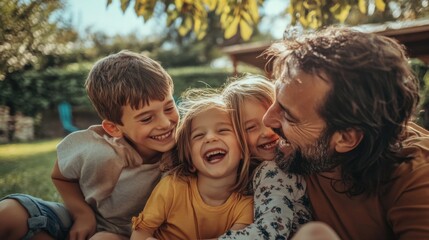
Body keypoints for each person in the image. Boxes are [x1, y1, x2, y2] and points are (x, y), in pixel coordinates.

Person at [262, 26, 429, 239]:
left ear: (346, 139)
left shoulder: (416, 177)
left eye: (289, 116)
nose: (266, 119)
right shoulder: (293, 152)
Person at [0, 50, 179, 240]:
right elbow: (61, 177)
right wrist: (82, 215)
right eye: (147, 118)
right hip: (85, 222)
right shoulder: (99, 150)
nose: (165, 123)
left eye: (169, 107)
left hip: (128, 234)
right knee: (8, 213)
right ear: (114, 128)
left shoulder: (188, 146)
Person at [130, 90, 253, 240]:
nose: (210, 138)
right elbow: (141, 233)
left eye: (223, 130)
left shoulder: (245, 206)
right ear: (190, 160)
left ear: (242, 151)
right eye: (199, 135)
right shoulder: (173, 187)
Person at [218, 75, 312, 240]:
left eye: (275, 119)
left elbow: (269, 232)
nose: (267, 132)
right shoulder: (254, 173)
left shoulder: (274, 170)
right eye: (251, 127)